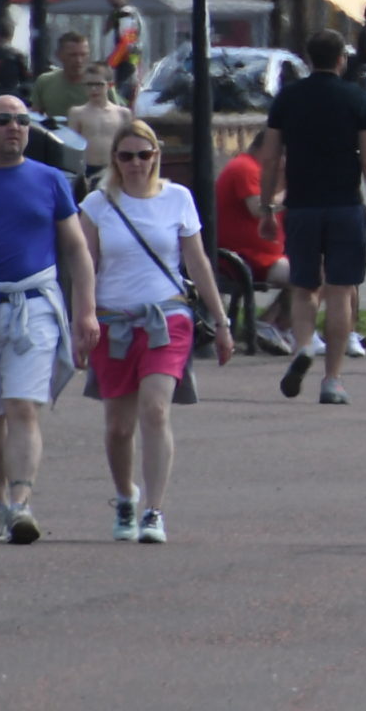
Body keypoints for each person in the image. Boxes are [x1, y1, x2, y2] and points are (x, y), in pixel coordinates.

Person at [80, 117, 233, 544]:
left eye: (143, 155)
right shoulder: (97, 203)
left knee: (156, 410)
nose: (135, 164)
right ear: (115, 158)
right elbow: (85, 266)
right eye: (126, 156)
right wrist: (82, 318)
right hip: (114, 321)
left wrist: (220, 322)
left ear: (156, 156)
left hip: (167, 319)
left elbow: (198, 262)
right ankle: (125, 496)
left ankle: (153, 509)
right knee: (118, 426)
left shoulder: (178, 198)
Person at [0, 96, 96, 545]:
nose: (14, 128)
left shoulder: (49, 181)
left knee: (23, 405)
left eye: (22, 121)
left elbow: (77, 249)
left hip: (34, 305)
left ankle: (22, 504)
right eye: (4, 121)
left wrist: (86, 310)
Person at [261, 31, 366, 407]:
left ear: (308, 56)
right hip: (345, 206)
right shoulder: (357, 99)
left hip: (302, 206)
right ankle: (332, 379)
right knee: (340, 291)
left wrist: (270, 206)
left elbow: (270, 157)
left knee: (304, 287)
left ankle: (302, 345)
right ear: (341, 60)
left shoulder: (288, 98)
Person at [214, 141, 294, 353]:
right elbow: (259, 208)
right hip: (245, 258)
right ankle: (271, 324)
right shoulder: (245, 167)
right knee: (311, 272)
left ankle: (276, 325)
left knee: (320, 266)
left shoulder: (265, 174)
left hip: (262, 255)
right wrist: (289, 190)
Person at [68, 69, 127, 186]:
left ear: (109, 85)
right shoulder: (77, 113)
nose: (94, 89)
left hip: (113, 169)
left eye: (99, 84)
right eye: (89, 85)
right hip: (86, 171)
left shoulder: (123, 113)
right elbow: (72, 147)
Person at [31, 32, 108, 119]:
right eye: (73, 55)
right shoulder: (45, 82)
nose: (79, 60)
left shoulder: (101, 82)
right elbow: (35, 118)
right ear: (59, 55)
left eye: (83, 55)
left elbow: (118, 116)